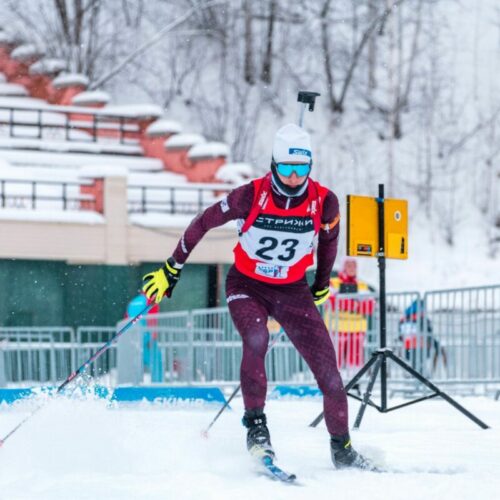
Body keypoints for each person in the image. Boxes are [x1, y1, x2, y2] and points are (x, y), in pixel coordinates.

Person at [142, 123, 373, 470]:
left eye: (302, 169)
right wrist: (173, 266)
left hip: (292, 290)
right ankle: (256, 428)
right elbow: (203, 221)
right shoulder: (250, 195)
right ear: (273, 165)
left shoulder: (324, 201)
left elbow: (329, 242)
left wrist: (321, 283)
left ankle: (343, 449)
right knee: (256, 339)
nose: (294, 177)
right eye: (286, 168)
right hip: (246, 285)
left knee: (329, 372)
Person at [328, 258, 375, 374]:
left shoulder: (362, 285)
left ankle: (355, 383)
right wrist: (356, 304)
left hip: (356, 329)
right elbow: (332, 302)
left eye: (354, 265)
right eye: (349, 265)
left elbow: (370, 306)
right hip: (337, 328)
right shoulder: (333, 282)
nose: (352, 268)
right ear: (343, 266)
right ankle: (334, 384)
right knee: (335, 359)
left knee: (355, 360)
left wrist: (347, 303)